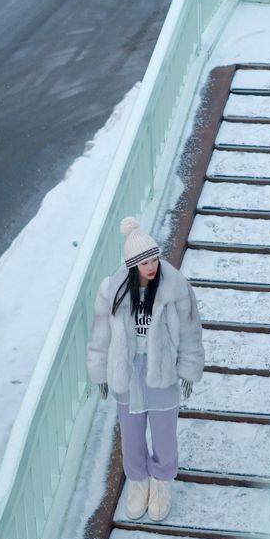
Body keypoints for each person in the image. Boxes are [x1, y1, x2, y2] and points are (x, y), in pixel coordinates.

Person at [86, 216, 205, 522]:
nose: (151, 267)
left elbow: (191, 330)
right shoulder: (113, 290)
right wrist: (100, 372)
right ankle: (138, 483)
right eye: (144, 263)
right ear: (132, 265)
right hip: (127, 371)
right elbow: (101, 335)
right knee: (131, 434)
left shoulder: (175, 286)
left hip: (161, 369)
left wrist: (189, 368)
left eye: (154, 259)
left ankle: (162, 483)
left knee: (164, 434)